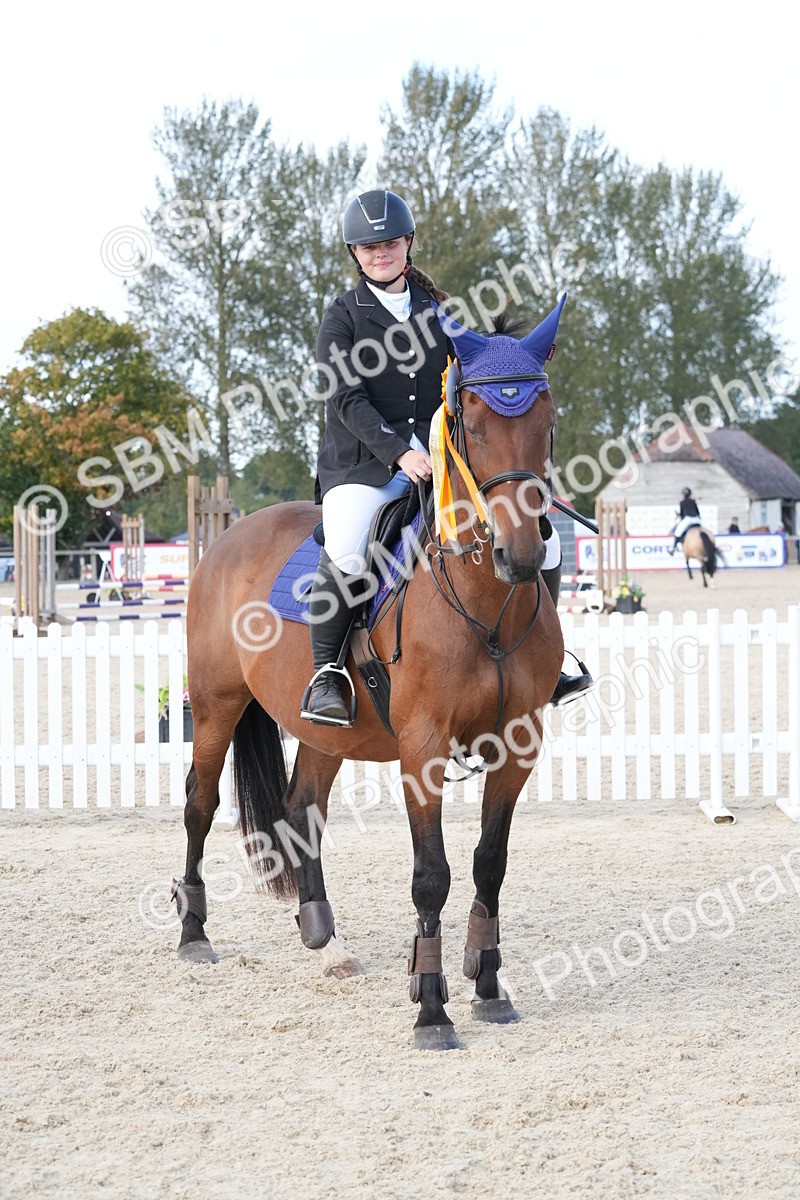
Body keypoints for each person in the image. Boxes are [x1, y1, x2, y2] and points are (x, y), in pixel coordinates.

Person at [303, 188, 591, 726]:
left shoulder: (440, 310)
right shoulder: (341, 317)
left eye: (390, 243)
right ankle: (327, 674)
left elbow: (481, 370)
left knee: (543, 540)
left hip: (442, 458)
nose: (380, 253)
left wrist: (523, 361)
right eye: (369, 248)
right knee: (346, 546)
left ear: (407, 244)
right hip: (364, 463)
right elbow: (345, 399)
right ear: (355, 254)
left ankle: (547, 661)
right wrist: (398, 454)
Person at [667, 486, 702, 555]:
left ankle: (673, 549)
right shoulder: (693, 501)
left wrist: (679, 516)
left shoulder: (682, 502)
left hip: (688, 519)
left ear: (683, 494)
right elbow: (698, 512)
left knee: (677, 532)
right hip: (696, 519)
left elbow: (682, 514)